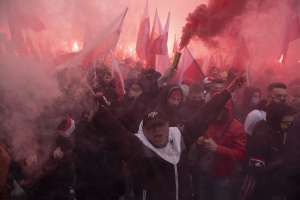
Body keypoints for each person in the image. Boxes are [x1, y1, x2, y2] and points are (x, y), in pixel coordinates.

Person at [92, 76, 244, 200]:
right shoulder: (137, 147)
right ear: (143, 132)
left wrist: (227, 92)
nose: (157, 130)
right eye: (151, 127)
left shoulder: (180, 138)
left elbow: (204, 115)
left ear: (168, 126)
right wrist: (97, 110)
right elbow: (115, 130)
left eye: (160, 125)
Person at [191, 101, 246, 200]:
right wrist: (199, 142)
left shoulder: (237, 127)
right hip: (204, 172)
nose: (217, 113)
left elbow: (241, 154)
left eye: (220, 109)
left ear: (227, 109)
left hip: (223, 176)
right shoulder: (209, 122)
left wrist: (218, 148)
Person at [244, 103, 297, 200]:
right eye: (286, 122)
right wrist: (281, 162)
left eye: (291, 123)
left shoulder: (279, 133)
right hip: (262, 191)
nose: (289, 126)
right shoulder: (262, 137)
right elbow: (255, 171)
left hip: (276, 187)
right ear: (276, 120)